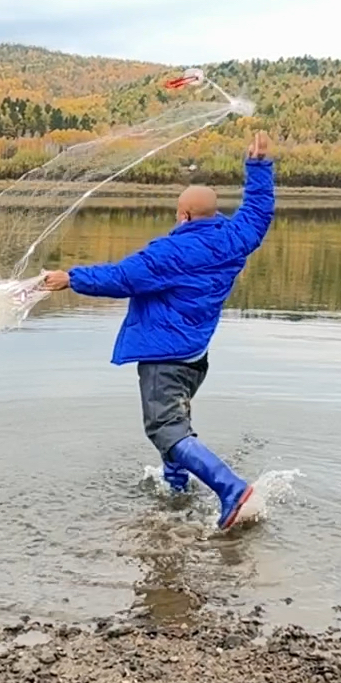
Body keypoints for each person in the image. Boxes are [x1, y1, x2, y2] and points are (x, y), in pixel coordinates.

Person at [42, 130, 275, 529]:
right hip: (195, 356)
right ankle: (176, 490)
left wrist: (70, 278)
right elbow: (257, 211)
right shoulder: (235, 238)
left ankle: (231, 489)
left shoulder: (170, 252)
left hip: (165, 357)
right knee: (174, 426)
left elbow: (121, 277)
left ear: (183, 215)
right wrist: (258, 167)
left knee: (165, 428)